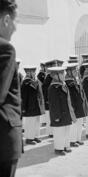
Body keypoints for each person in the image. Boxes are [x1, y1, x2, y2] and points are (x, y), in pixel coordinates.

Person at [0, 1, 22, 176]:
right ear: (6, 20)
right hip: (3, 142)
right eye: (16, 21)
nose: (15, 28)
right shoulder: (5, 48)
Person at [48, 66, 76, 155]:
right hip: (58, 114)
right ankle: (58, 148)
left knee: (66, 130)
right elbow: (54, 104)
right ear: (56, 76)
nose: (64, 75)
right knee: (59, 132)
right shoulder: (53, 87)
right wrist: (56, 116)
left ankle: (65, 146)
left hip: (66, 112)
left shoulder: (63, 84)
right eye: (61, 74)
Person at [65, 63, 88, 147]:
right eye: (74, 70)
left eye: (76, 70)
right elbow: (70, 97)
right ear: (69, 72)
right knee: (74, 124)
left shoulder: (75, 80)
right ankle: (72, 140)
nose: (76, 72)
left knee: (79, 123)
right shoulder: (68, 82)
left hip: (79, 105)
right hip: (74, 106)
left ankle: (78, 139)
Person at [21, 66, 45, 145]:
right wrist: (23, 108)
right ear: (28, 73)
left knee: (36, 122)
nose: (34, 73)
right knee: (30, 123)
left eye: (34, 72)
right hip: (29, 107)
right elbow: (23, 97)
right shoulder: (25, 83)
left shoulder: (36, 81)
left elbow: (40, 94)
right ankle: (29, 138)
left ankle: (35, 136)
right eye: (32, 72)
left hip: (37, 105)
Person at [42, 59, 64, 138]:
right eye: (54, 66)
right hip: (49, 100)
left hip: (54, 100)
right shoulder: (49, 77)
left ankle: (52, 132)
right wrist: (47, 100)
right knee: (49, 117)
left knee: (53, 116)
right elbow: (45, 89)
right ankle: (50, 133)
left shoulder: (54, 76)